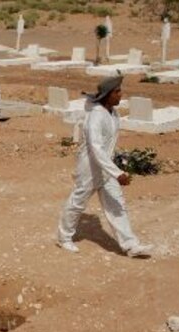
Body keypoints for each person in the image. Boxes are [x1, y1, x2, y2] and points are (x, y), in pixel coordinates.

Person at [57, 75, 153, 258]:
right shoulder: (95, 116)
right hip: (90, 167)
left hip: (106, 167)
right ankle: (64, 238)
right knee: (78, 202)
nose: (120, 95)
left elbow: (107, 146)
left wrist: (113, 170)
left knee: (116, 204)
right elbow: (95, 148)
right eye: (117, 92)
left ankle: (130, 245)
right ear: (108, 95)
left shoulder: (113, 114)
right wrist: (117, 173)